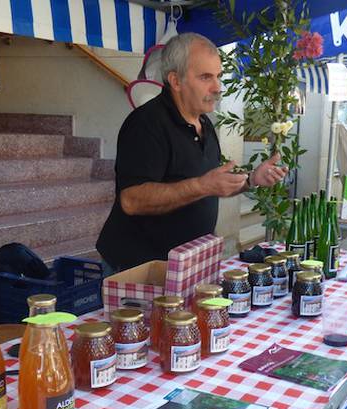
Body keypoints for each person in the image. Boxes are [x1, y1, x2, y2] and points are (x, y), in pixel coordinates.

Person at [97, 33, 287, 273]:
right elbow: (132, 200)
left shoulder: (205, 124)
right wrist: (203, 186)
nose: (217, 87)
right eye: (205, 77)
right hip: (140, 268)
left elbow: (212, 185)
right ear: (175, 81)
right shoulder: (146, 123)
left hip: (187, 264)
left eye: (218, 76)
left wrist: (252, 180)